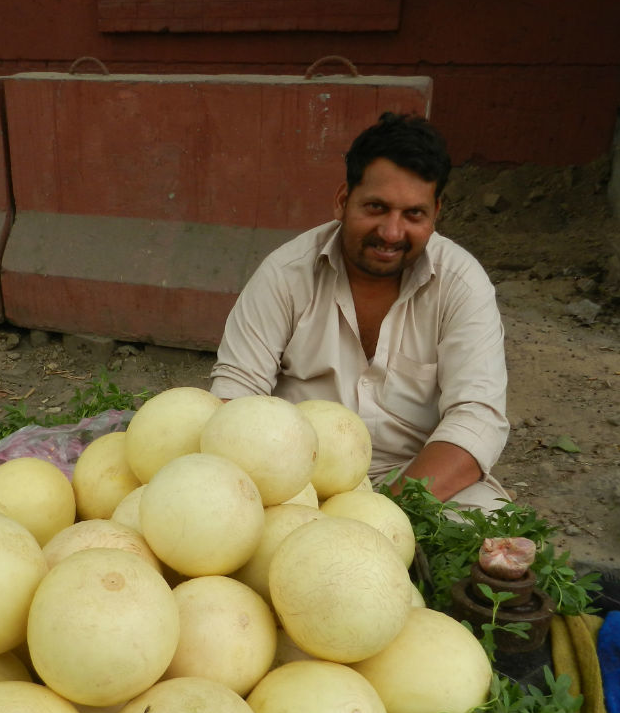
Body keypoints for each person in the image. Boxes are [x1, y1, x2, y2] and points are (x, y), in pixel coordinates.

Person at [209, 112, 510, 512]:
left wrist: (384, 514)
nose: (391, 232)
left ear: (435, 212)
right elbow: (234, 397)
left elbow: (477, 419)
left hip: (416, 480)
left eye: (413, 214)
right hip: (294, 482)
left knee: (491, 536)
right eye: (376, 207)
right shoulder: (286, 275)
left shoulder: (461, 284)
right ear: (342, 200)